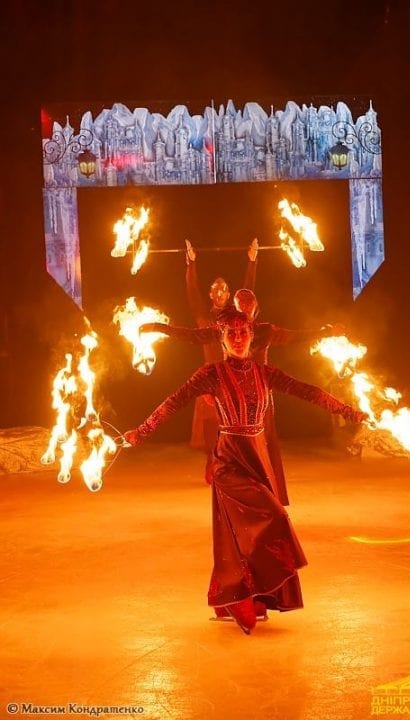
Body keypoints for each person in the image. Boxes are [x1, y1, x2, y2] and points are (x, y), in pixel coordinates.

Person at [124, 308, 367, 635]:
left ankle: (248, 596)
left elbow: (307, 391)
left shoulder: (265, 373)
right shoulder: (210, 373)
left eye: (243, 333)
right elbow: (173, 401)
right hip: (229, 462)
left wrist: (348, 411)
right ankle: (240, 596)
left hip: (258, 458)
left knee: (245, 536)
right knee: (272, 520)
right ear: (222, 339)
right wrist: (143, 430)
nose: (238, 338)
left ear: (252, 337)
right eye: (231, 334)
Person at [139, 288, 345, 504]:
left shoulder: (266, 331)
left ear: (256, 309)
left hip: (261, 395)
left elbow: (296, 336)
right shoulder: (226, 329)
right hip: (230, 392)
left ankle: (270, 495)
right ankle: (235, 494)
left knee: (265, 443)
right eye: (241, 307)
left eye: (250, 306)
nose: (245, 311)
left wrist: (327, 331)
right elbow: (192, 335)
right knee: (231, 443)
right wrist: (157, 327)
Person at [184, 240, 258, 481]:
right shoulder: (204, 317)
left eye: (223, 289)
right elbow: (191, 291)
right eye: (215, 289)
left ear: (228, 294)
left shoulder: (236, 317)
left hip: (234, 376)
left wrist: (252, 260)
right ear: (211, 293)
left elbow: (248, 291)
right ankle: (211, 463)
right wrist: (191, 263)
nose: (218, 292)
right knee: (210, 425)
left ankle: (236, 465)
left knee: (235, 424)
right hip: (210, 377)